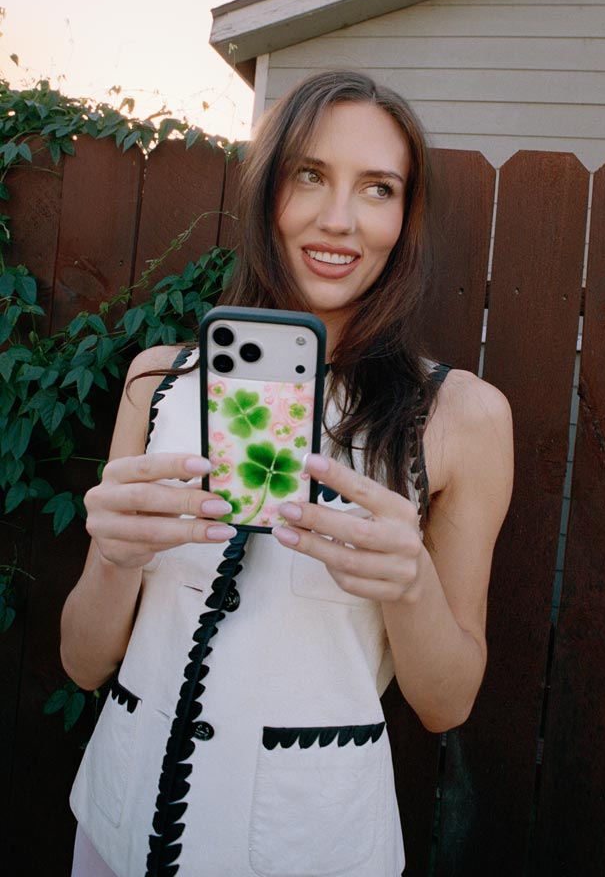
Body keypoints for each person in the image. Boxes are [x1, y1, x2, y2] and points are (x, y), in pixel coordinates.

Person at [61, 70, 513, 877]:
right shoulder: (157, 383)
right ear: (267, 191)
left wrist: (411, 584)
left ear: (405, 217)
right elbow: (83, 662)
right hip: (118, 823)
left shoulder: (462, 416)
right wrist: (114, 558)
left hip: (309, 846)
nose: (339, 219)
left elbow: (447, 705)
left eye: (378, 188)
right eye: (310, 174)